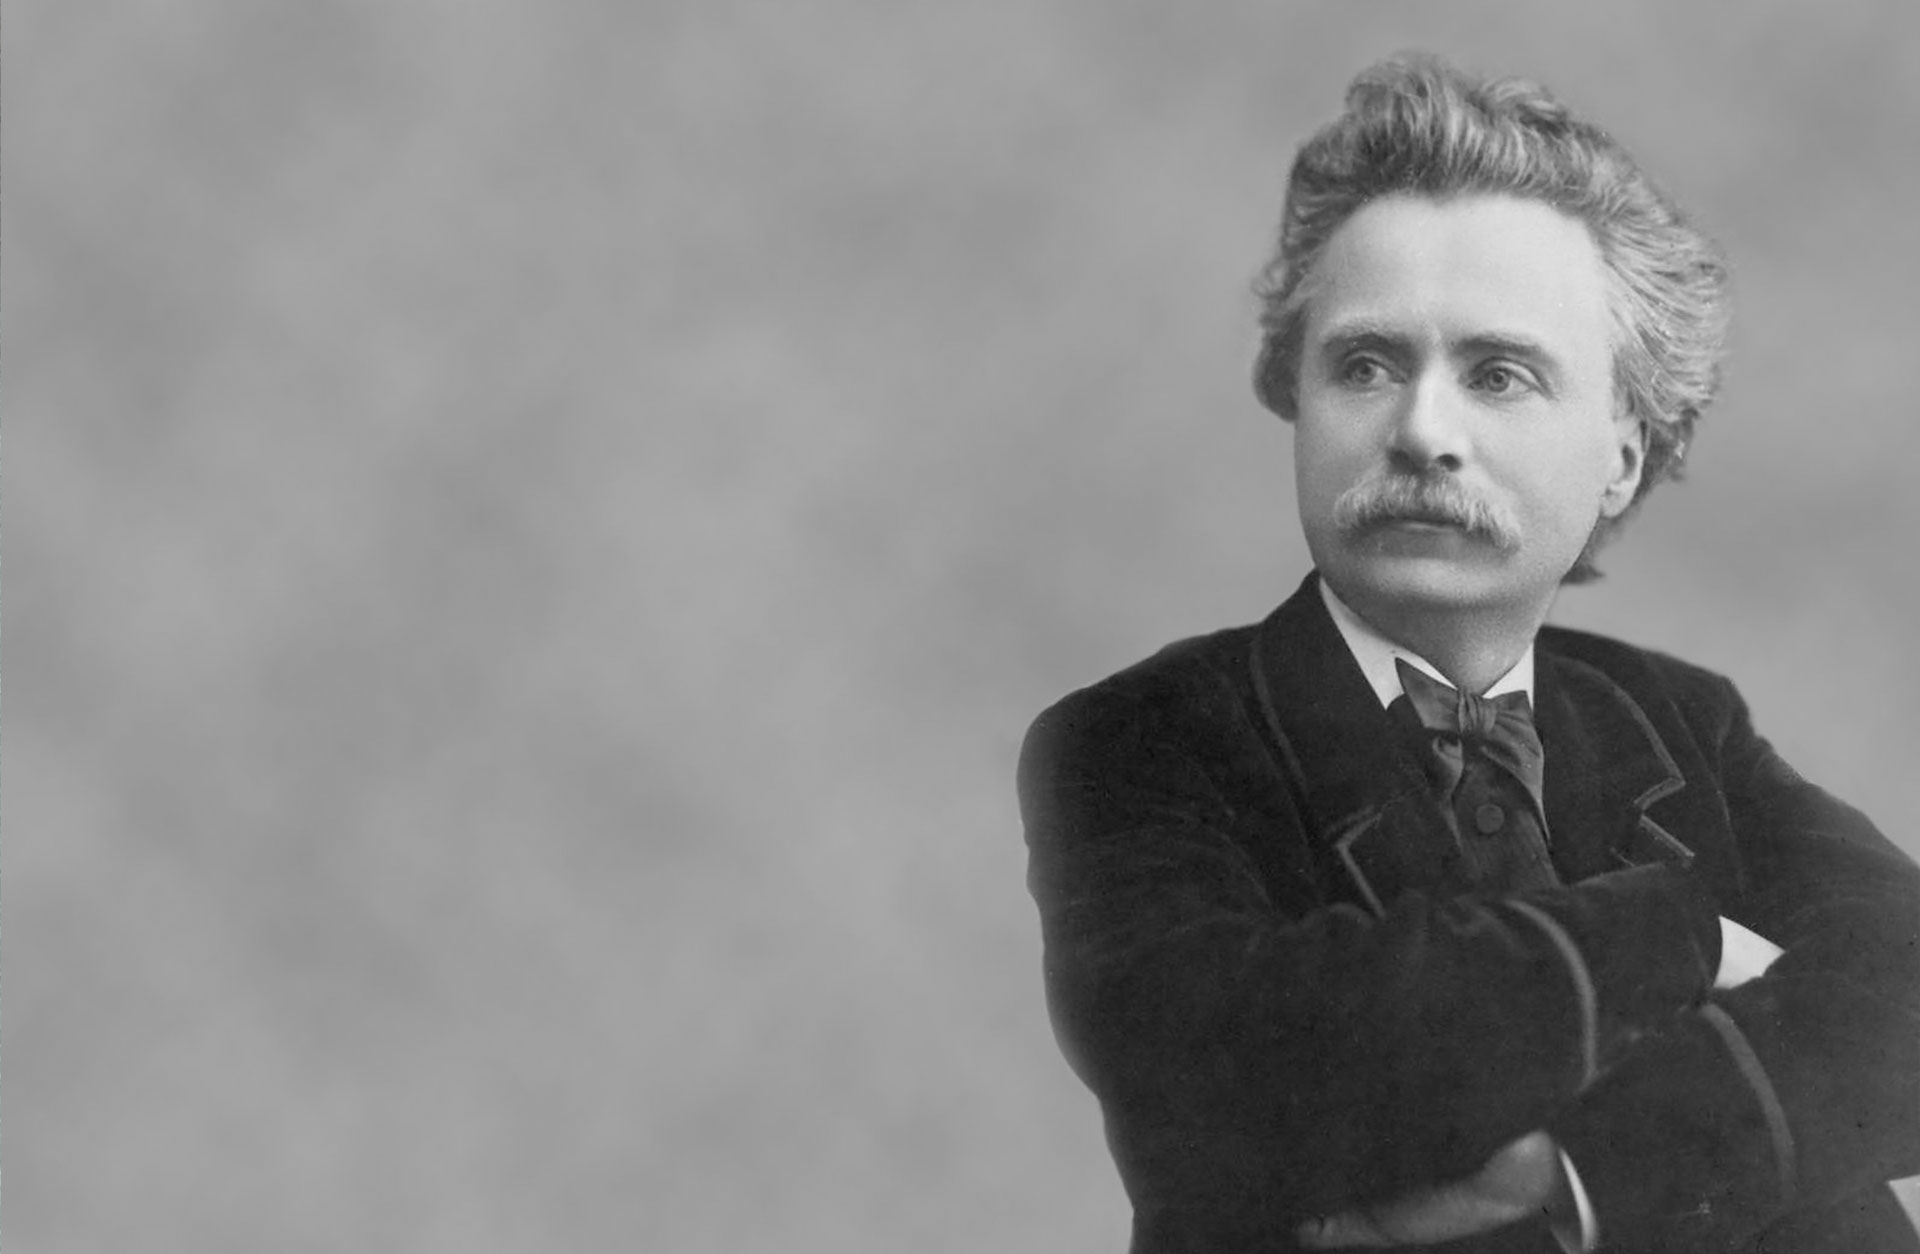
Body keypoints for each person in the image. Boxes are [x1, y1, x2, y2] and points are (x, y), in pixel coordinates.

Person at [1017, 55, 1920, 1254]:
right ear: (1299, 401)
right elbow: (1226, 1068)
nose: (1421, 430)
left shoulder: (1680, 718)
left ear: (1622, 457)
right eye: (1366, 365)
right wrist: (1684, 933)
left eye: (1498, 374)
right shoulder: (1139, 740)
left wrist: (1568, 1174)